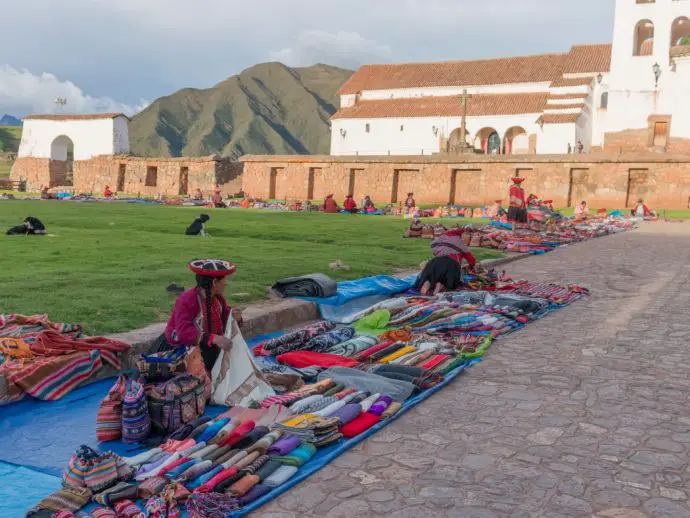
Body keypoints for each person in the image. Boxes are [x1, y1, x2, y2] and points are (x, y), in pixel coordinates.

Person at [157, 259, 241, 373]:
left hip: (206, 349)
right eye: (224, 280)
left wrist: (236, 317)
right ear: (215, 283)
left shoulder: (218, 299)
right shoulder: (186, 300)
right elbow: (184, 332)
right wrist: (213, 338)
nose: (226, 283)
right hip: (181, 352)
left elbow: (225, 318)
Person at [416, 228, 477, 296]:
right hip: (451, 264)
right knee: (453, 282)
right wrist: (472, 266)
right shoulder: (460, 242)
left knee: (430, 276)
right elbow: (471, 259)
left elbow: (433, 246)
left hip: (435, 262)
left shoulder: (442, 237)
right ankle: (441, 285)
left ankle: (428, 282)